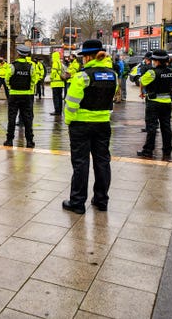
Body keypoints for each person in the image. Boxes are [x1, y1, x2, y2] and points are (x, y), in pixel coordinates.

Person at [62, 40, 117, 214]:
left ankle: (77, 203)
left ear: (86, 57)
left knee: (81, 163)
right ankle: (101, 200)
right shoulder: (112, 74)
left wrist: (69, 121)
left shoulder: (82, 76)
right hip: (103, 123)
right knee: (102, 161)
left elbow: (71, 104)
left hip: (81, 125)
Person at [137, 49, 172, 159]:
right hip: (167, 103)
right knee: (166, 127)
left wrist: (142, 93)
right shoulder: (171, 71)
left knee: (151, 127)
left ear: (157, 61)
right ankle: (167, 150)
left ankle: (148, 150)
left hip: (153, 103)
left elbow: (142, 82)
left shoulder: (152, 72)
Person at [4, 45, 37, 148]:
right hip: (26, 95)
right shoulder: (30, 66)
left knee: (12, 118)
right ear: (26, 55)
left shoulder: (12, 66)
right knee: (27, 119)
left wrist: (11, 87)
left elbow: (7, 79)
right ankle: (29, 141)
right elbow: (34, 80)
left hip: (14, 95)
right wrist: (28, 88)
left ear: (18, 54)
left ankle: (9, 140)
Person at [49, 51, 65, 116]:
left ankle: (57, 111)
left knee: (56, 98)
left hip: (55, 83)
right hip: (61, 83)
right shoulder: (60, 63)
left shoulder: (55, 63)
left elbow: (53, 72)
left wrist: (51, 78)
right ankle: (60, 110)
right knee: (60, 97)